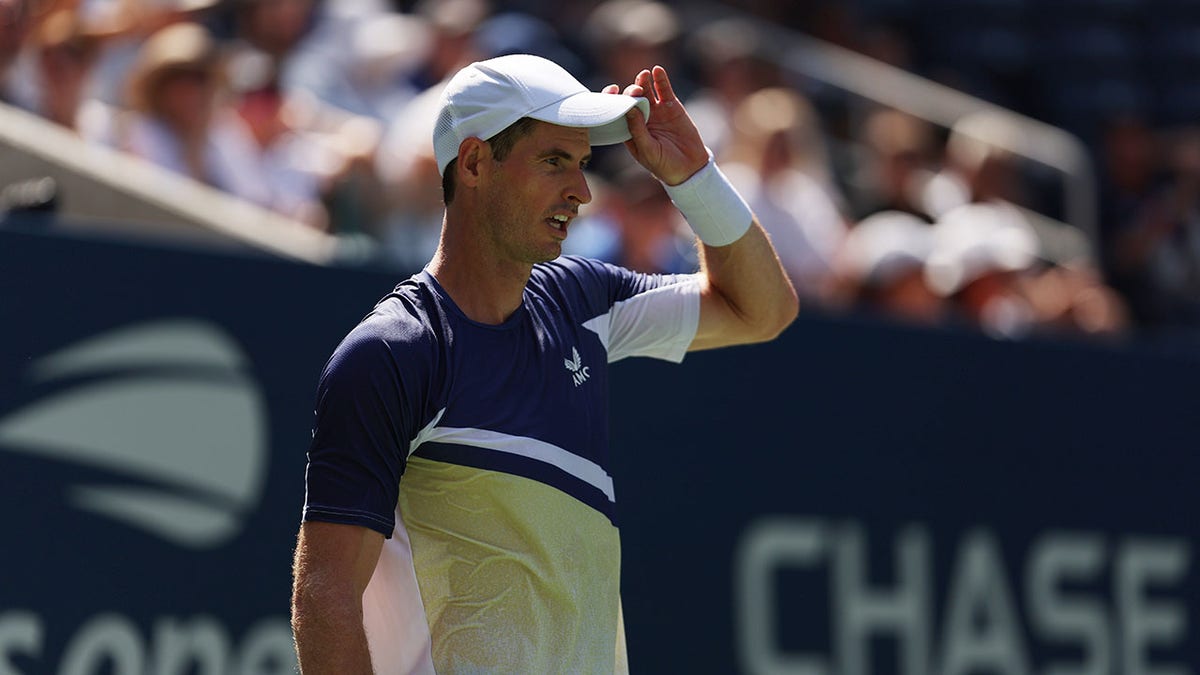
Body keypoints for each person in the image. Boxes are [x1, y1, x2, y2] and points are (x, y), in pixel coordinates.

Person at [290, 54, 797, 674]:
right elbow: (326, 595)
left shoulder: (580, 299)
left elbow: (763, 310)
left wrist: (694, 178)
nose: (581, 191)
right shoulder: (394, 353)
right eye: (555, 161)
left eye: (582, 164)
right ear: (475, 163)